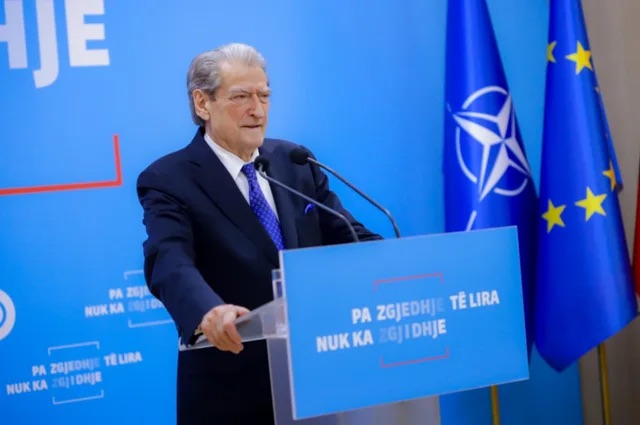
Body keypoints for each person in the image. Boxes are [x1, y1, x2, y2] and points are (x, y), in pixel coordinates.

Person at [136, 43, 382, 424]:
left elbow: (348, 235)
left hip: (313, 382)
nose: (258, 110)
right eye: (241, 97)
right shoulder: (169, 179)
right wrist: (207, 311)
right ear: (202, 104)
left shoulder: (295, 162)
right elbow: (169, 260)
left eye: (264, 96)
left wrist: (403, 268)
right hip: (230, 391)